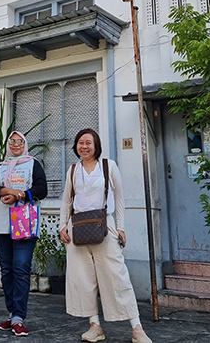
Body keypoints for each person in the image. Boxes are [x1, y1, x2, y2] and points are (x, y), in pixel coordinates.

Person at [59, 128, 153, 343]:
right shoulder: (73, 169)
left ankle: (136, 327)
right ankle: (95, 325)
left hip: (104, 224)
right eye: (80, 142)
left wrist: (121, 227)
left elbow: (119, 198)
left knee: (117, 275)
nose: (84, 146)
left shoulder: (107, 166)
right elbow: (66, 200)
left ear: (96, 145)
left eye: (88, 143)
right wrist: (63, 226)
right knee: (83, 278)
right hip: (77, 227)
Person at [0, 131, 48, 337]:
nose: (15, 145)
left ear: (25, 144)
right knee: (7, 270)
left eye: (19, 142)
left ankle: (19, 317)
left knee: (21, 268)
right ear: (7, 145)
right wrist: (7, 191)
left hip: (24, 224)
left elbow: (42, 188)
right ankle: (12, 313)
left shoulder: (33, 164)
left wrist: (20, 195)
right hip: (2, 224)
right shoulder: (0, 167)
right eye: (12, 142)